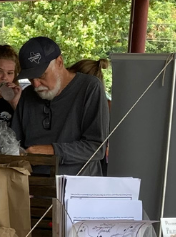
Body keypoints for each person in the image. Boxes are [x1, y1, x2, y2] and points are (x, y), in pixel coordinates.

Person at [9, 37, 108, 175]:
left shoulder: (89, 87)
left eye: (42, 75)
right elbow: (14, 143)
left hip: (77, 190)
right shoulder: (27, 95)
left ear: (59, 62)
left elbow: (96, 147)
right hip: (33, 189)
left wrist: (52, 150)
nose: (36, 84)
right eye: (31, 79)